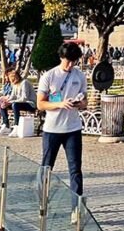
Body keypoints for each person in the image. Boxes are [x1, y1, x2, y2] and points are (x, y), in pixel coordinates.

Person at [37, 43, 88, 217]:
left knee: (75, 169)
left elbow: (85, 100)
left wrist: (80, 104)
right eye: (68, 61)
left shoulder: (79, 76)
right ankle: (42, 201)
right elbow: (40, 103)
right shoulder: (49, 76)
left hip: (73, 128)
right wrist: (60, 104)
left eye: (74, 61)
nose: (71, 65)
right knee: (46, 167)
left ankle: (76, 209)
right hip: (52, 129)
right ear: (61, 57)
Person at [6, 70, 37, 134]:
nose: (13, 82)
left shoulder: (24, 82)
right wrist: (7, 102)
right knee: (3, 105)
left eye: (13, 80)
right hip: (19, 103)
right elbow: (12, 96)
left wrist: (12, 101)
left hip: (30, 103)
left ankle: (16, 126)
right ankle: (5, 125)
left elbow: (24, 98)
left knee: (15, 104)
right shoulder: (15, 84)